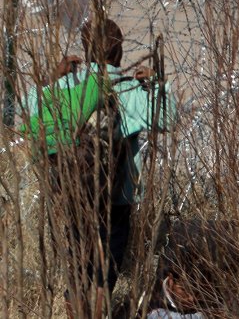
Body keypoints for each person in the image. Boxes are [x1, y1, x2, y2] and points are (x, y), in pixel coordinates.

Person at [22, 17, 177, 318]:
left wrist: (51, 77)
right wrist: (156, 83)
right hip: (115, 198)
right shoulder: (127, 89)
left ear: (85, 49)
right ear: (118, 52)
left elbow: (30, 111)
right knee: (104, 275)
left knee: (79, 270)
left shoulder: (66, 86)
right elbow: (168, 118)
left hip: (71, 195)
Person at [146, 219, 239, 318]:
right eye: (188, 296)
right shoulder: (159, 305)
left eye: (185, 293)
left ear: (171, 281)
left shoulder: (179, 257)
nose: (191, 299)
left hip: (220, 247)